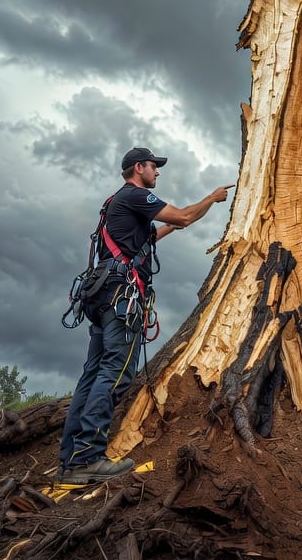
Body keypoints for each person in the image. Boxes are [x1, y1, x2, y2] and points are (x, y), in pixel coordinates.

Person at [59, 147, 232, 484]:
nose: (158, 172)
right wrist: (211, 199)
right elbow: (182, 217)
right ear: (138, 168)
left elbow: (158, 233)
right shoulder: (136, 196)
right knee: (116, 373)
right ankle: (87, 458)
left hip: (103, 297)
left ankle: (70, 462)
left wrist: (176, 225)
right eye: (154, 166)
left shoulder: (115, 203)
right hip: (121, 299)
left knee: (93, 375)